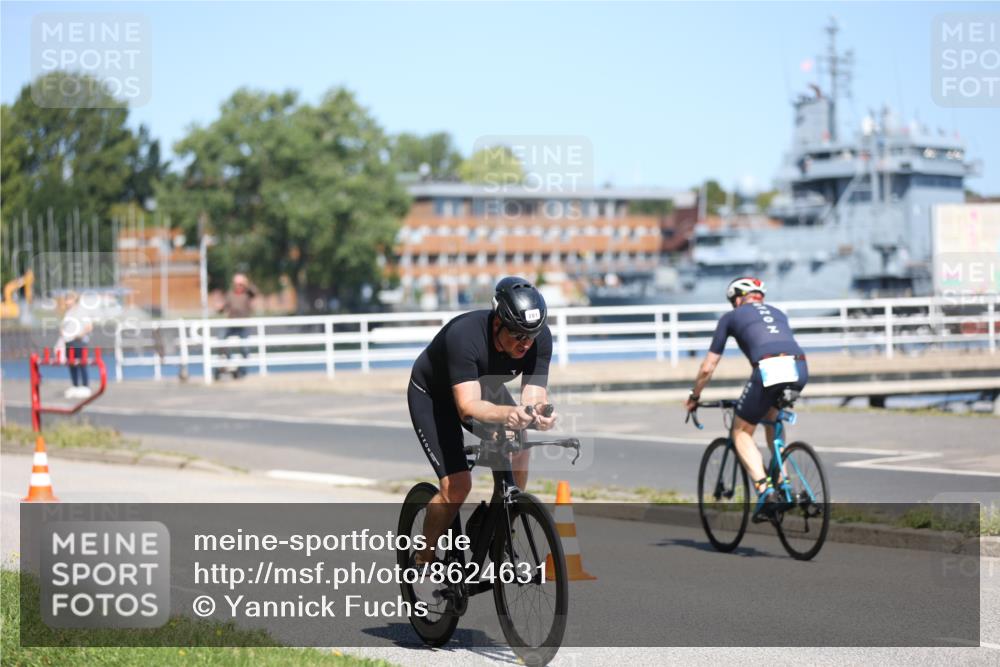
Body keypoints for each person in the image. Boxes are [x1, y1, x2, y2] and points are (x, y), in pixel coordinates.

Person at [408, 276, 556, 570]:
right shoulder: (464, 336)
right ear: (498, 322)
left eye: (531, 335)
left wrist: (540, 413)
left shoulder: (537, 339)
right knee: (458, 486)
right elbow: (467, 407)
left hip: (482, 386)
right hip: (435, 397)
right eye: (517, 335)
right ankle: (424, 555)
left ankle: (501, 525)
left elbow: (534, 394)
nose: (525, 343)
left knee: (520, 446)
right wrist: (507, 415)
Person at [685, 277, 808, 521]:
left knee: (740, 432)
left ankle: (765, 490)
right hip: (800, 367)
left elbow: (708, 367)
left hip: (769, 369)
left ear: (738, 299)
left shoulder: (731, 317)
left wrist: (694, 395)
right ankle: (783, 483)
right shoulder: (778, 313)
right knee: (771, 417)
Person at [217, 273, 257, 377]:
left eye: (240, 284)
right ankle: (230, 363)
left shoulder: (248, 294)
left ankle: (242, 371)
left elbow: (255, 292)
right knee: (221, 340)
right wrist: (220, 307)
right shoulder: (230, 294)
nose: (238, 286)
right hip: (231, 324)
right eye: (236, 284)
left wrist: (246, 283)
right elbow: (222, 308)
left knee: (245, 349)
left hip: (243, 326)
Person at [56, 292, 94, 399]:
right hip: (68, 342)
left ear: (74, 299)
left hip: (79, 342)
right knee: (71, 364)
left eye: (68, 299)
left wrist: (79, 335)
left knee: (82, 363)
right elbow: (64, 327)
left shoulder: (82, 311)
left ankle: (85, 386)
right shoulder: (67, 313)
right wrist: (63, 332)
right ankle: (75, 386)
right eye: (66, 299)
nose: (66, 302)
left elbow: (89, 326)